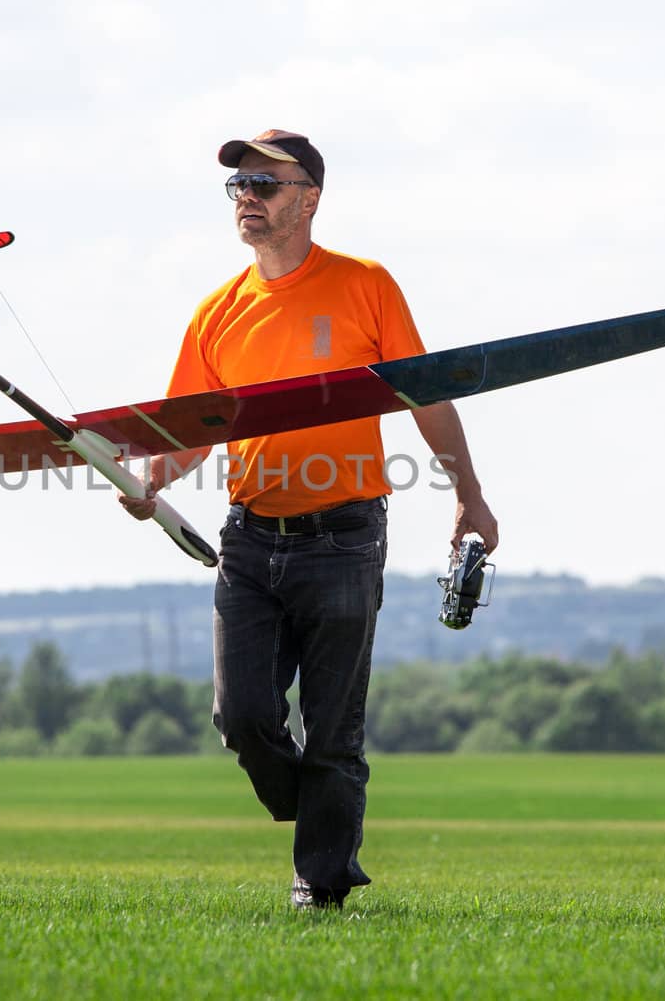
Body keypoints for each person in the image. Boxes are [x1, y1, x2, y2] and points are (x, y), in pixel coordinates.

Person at [120, 129, 497, 910]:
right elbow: (194, 431)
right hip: (250, 538)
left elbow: (425, 394)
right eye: (238, 187)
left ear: (310, 198)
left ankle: (319, 884)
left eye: (264, 183)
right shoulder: (216, 313)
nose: (247, 198)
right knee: (243, 717)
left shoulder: (366, 285)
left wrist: (468, 494)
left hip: (347, 536)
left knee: (334, 729)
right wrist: (149, 479)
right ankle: (313, 803)